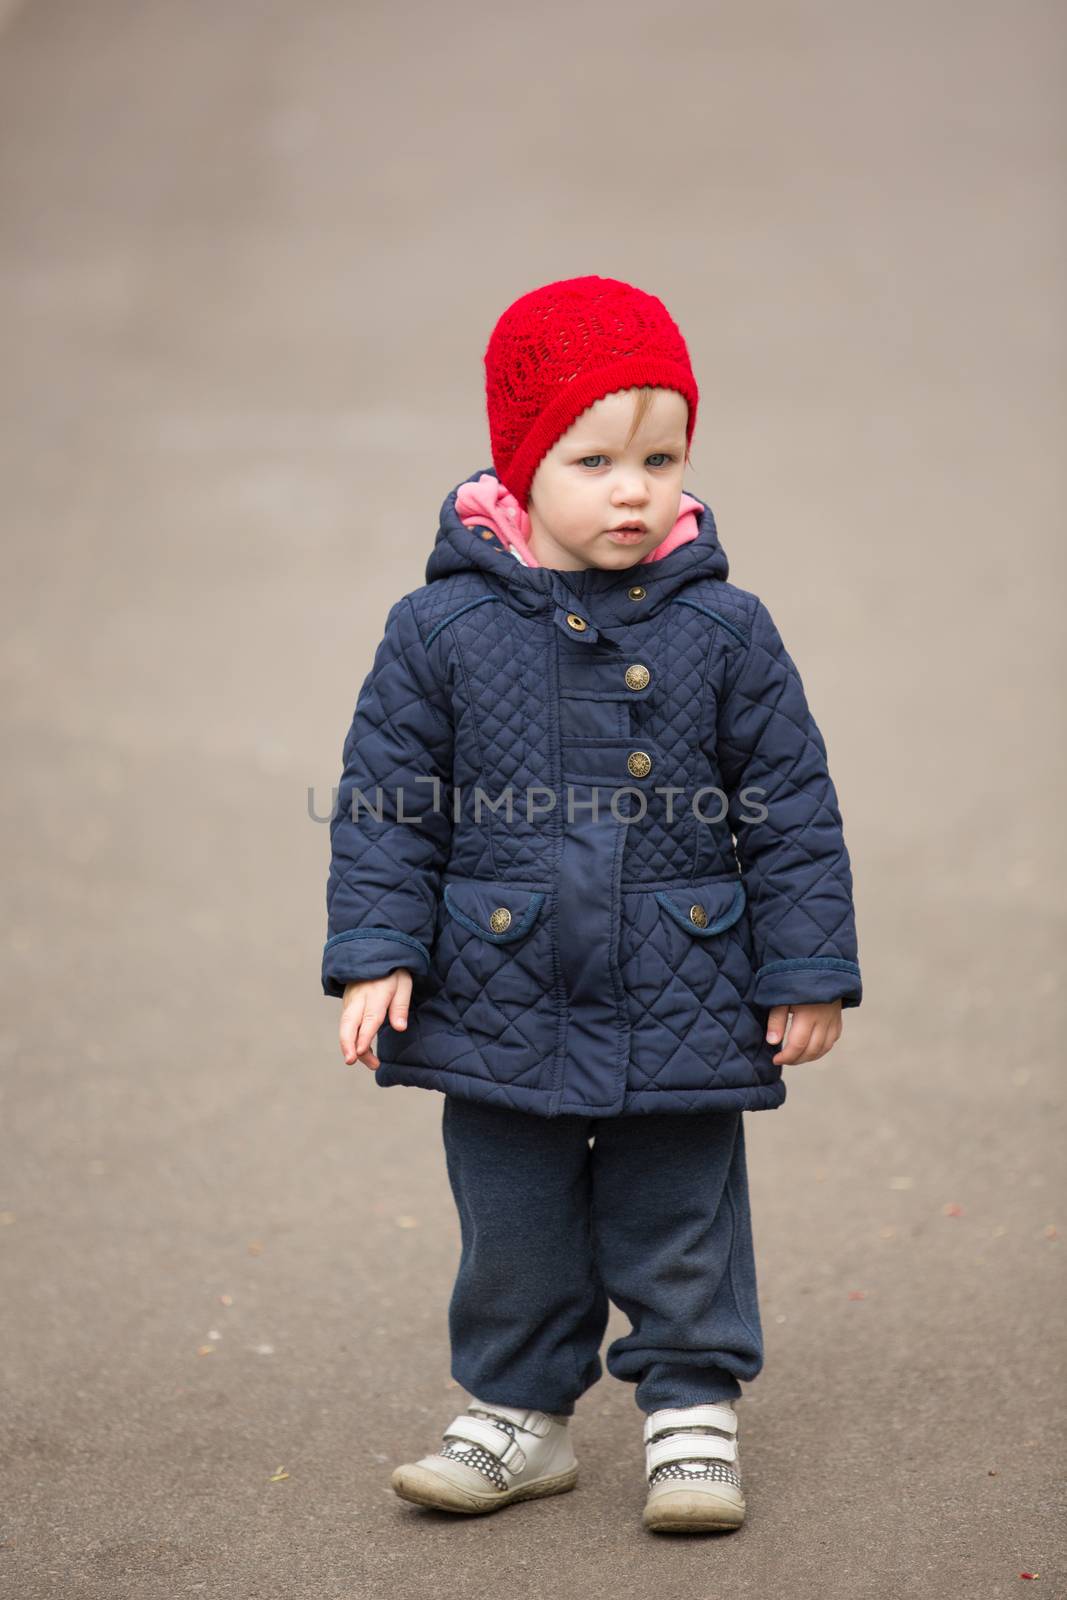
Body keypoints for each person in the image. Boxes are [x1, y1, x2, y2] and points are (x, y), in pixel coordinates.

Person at [320, 275, 862, 1534]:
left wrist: (802, 967)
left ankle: (689, 1413)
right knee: (509, 1215)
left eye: (661, 457)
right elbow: (389, 801)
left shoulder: (725, 630)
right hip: (495, 985)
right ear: (519, 468)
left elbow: (788, 807)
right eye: (594, 457)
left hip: (682, 980)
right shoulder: (437, 628)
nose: (634, 488)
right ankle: (518, 1412)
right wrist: (376, 952)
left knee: (679, 1208)